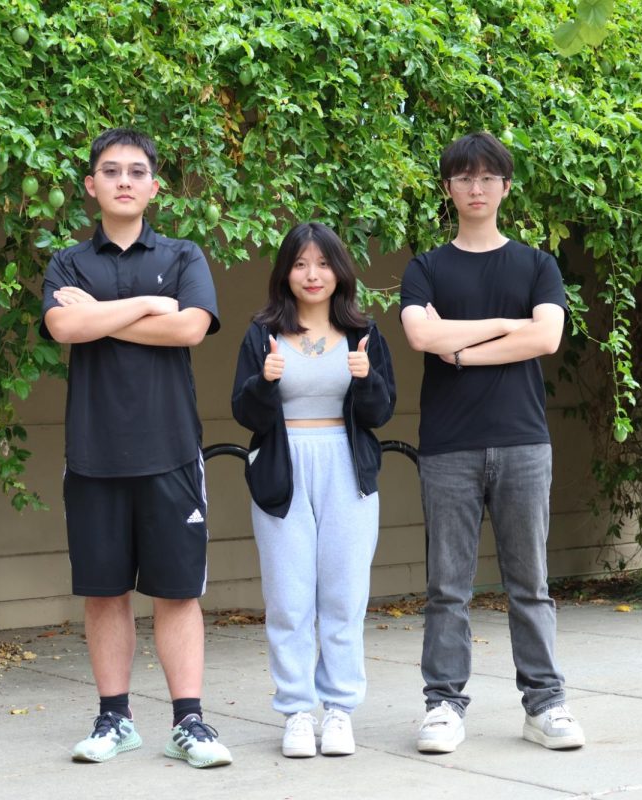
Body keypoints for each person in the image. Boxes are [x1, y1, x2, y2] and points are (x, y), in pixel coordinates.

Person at [40, 127, 232, 769]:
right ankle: (114, 719)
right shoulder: (68, 262)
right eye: (111, 170)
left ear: (154, 185)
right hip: (93, 455)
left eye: (137, 170)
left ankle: (191, 723)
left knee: (178, 593)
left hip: (171, 451)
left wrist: (106, 315)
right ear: (91, 184)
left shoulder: (184, 254)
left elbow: (189, 329)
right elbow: (65, 326)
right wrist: (148, 303)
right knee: (105, 591)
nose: (124, 179)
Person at [398, 132, 585, 754]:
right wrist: (507, 324)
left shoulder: (537, 264)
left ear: (506, 187)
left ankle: (545, 704)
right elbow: (422, 336)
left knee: (529, 582)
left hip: (523, 442)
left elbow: (547, 340)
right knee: (446, 588)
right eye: (463, 178)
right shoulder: (426, 267)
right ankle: (443, 706)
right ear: (448, 189)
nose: (475, 188)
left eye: (487, 178)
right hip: (448, 446)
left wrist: (463, 349)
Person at [231, 222, 396, 758]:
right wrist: (265, 381)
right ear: (286, 273)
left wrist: (367, 376)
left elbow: (380, 412)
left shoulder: (364, 333)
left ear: (339, 271)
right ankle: (298, 711)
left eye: (322, 264)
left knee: (344, 596)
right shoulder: (263, 334)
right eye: (300, 264)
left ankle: (340, 710)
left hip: (346, 469)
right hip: (284, 469)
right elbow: (244, 412)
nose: (312, 274)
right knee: (288, 597)